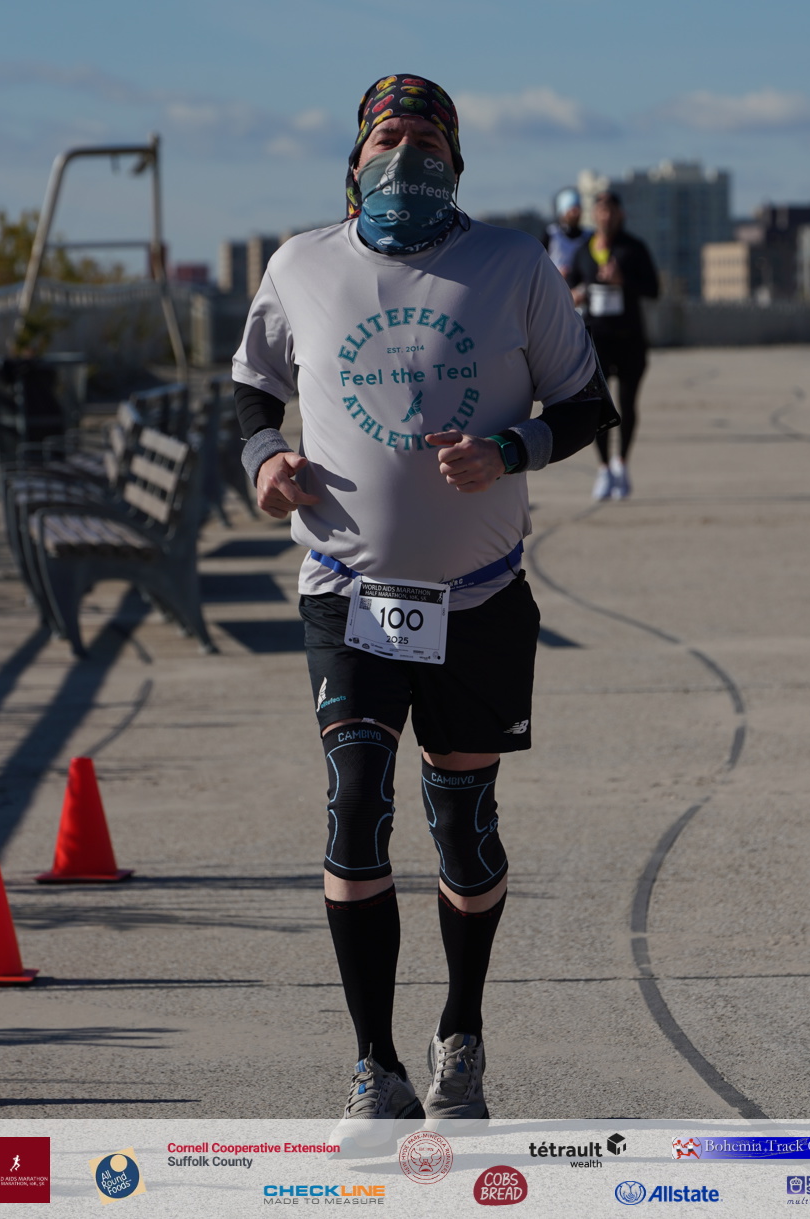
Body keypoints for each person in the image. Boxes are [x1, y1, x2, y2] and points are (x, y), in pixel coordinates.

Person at [231, 74, 607, 1143]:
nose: (408, 153)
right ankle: (373, 1066)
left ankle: (460, 1035)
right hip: (345, 590)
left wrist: (511, 450)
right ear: (354, 161)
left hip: (477, 599)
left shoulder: (512, 264)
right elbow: (252, 385)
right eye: (388, 136)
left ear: (458, 161)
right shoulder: (300, 263)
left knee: (462, 826)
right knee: (354, 804)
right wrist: (264, 458)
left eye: (430, 140)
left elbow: (588, 403)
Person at [568, 189, 659, 500]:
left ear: (621, 214)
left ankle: (622, 464)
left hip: (631, 339)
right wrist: (573, 293)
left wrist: (623, 281)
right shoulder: (584, 250)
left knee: (628, 404)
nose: (605, 216)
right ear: (594, 215)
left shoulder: (633, 248)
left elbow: (654, 289)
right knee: (599, 408)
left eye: (610, 211)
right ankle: (604, 468)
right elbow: (571, 286)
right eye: (600, 211)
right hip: (597, 341)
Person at [543, 187, 588, 277]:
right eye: (572, 210)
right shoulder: (552, 233)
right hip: (555, 281)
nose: (575, 214)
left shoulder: (588, 236)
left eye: (577, 209)